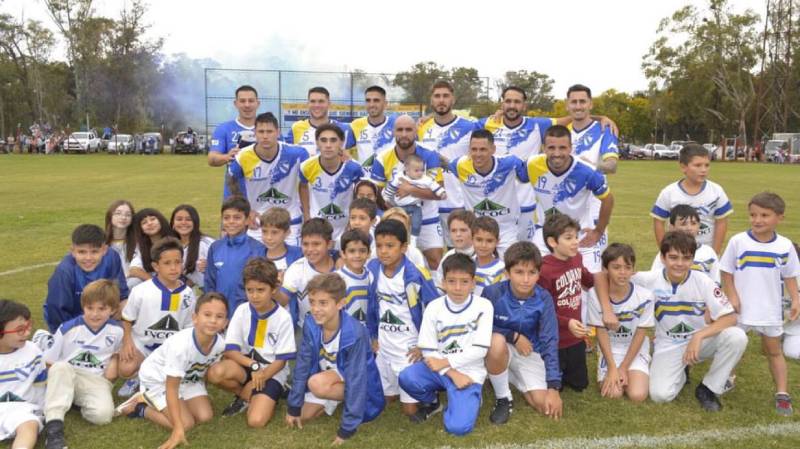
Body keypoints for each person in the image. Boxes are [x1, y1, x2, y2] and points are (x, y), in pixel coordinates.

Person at [634, 231, 746, 411]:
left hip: (700, 342)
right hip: (668, 343)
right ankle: (681, 372)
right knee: (660, 396)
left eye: (686, 258)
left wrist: (699, 336)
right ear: (662, 258)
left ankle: (708, 388)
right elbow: (611, 275)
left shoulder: (703, 281)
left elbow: (731, 317)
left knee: (737, 336)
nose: (679, 263)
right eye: (673, 257)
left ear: (693, 259)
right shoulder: (649, 279)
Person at [720, 192, 800, 415]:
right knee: (734, 347)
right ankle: (726, 379)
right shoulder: (738, 241)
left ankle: (782, 393)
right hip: (741, 308)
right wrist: (733, 296)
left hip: (769, 310)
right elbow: (726, 272)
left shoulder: (785, 246)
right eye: (753, 215)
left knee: (774, 352)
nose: (757, 220)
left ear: (779, 218)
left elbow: (791, 276)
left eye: (764, 215)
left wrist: (796, 299)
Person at [114, 293, 228, 449]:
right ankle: (140, 407)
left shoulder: (220, 344)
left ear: (225, 322)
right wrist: (178, 429)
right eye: (207, 315)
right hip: (159, 380)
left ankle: (165, 406)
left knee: (205, 416)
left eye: (219, 316)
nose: (213, 321)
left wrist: (199, 395)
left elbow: (204, 369)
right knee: (187, 423)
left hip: (186, 379)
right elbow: (171, 388)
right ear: (195, 318)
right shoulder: (181, 346)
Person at [398, 254, 492, 435]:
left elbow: (480, 350)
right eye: (452, 281)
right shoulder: (434, 307)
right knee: (407, 377)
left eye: (464, 282)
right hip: (441, 370)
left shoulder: (484, 306)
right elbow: (428, 349)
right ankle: (434, 402)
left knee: (458, 428)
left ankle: (468, 397)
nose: (457, 288)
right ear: (443, 282)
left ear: (473, 283)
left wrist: (448, 364)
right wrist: (451, 372)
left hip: (469, 373)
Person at [285, 273, 385, 445]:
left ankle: (351, 403)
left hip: (357, 380)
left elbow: (357, 380)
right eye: (312, 302)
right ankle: (332, 399)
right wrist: (293, 406)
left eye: (323, 303)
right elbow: (303, 364)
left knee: (315, 383)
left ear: (340, 303)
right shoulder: (310, 323)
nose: (315, 308)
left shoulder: (355, 333)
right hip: (329, 373)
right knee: (303, 414)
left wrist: (347, 429)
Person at [208, 258, 296, 426]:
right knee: (215, 373)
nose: (254, 296)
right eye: (250, 290)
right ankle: (245, 395)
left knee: (256, 421)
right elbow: (231, 351)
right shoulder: (242, 310)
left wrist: (263, 375)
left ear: (274, 289)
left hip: (272, 371)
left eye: (261, 290)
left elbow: (281, 361)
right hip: (249, 365)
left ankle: (272, 390)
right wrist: (254, 366)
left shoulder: (283, 317)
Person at [482, 242, 561, 425]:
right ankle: (503, 398)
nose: (526, 279)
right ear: (507, 273)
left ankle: (507, 375)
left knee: (545, 406)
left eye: (532, 272)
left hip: (529, 352)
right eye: (519, 272)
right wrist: (513, 336)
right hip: (500, 346)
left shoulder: (543, 298)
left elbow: (550, 340)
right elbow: (480, 327)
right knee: (496, 341)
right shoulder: (492, 293)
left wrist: (553, 386)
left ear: (538, 274)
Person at [366, 219, 439, 417]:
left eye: (390, 246)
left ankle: (432, 398)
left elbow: (436, 310)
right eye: (379, 246)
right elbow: (372, 306)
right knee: (384, 400)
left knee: (409, 411)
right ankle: (399, 385)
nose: (384, 251)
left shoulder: (416, 274)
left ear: (404, 247)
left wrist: (424, 345)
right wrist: (373, 335)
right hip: (384, 346)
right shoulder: (372, 269)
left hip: (409, 348)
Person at [519, 125, 614, 274]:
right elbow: (516, 175)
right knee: (537, 278)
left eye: (562, 148)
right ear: (544, 148)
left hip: (580, 236)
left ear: (570, 148)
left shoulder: (586, 170)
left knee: (592, 284)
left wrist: (598, 231)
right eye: (551, 148)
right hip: (545, 234)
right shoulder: (532, 164)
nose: (557, 153)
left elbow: (608, 199)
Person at [42, 280, 123, 449]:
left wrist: (115, 358)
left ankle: (70, 399)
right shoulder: (68, 328)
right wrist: (60, 379)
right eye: (90, 308)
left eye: (102, 309)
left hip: (95, 381)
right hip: (68, 373)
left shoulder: (117, 332)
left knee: (103, 416)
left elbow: (111, 376)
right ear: (83, 306)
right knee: (60, 367)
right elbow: (49, 363)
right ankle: (54, 430)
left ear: (113, 309)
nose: (95, 314)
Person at [118, 237, 196, 397]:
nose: (174, 268)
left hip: (170, 349)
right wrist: (127, 341)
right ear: (156, 266)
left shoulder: (188, 294)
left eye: (178, 262)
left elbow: (189, 327)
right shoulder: (141, 291)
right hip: (143, 345)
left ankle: (159, 377)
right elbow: (127, 318)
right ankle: (137, 377)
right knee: (126, 368)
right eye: (167, 263)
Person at [371, 114, 445, 269]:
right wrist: (393, 210)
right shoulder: (382, 158)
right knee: (394, 261)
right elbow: (377, 195)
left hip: (427, 216)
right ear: (393, 132)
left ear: (416, 131)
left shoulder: (429, 154)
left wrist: (409, 189)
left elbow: (438, 193)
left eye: (408, 130)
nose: (404, 134)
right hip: (396, 217)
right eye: (400, 130)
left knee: (435, 262)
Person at [227, 112, 309, 243]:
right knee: (256, 263)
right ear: (255, 133)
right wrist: (247, 210)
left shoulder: (297, 154)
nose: (265, 136)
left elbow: (314, 174)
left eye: (269, 131)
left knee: (291, 262)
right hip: (258, 222)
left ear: (278, 132)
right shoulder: (242, 157)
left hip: (290, 221)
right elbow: (232, 183)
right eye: (261, 131)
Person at [587, 244, 654, 402]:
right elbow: (601, 332)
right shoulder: (594, 295)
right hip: (610, 350)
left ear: (633, 269)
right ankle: (608, 367)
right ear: (605, 269)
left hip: (635, 348)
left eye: (627, 267)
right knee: (614, 394)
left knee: (637, 395)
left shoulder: (645, 296)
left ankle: (634, 368)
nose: (622, 273)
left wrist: (623, 367)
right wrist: (612, 367)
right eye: (616, 267)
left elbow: (640, 333)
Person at [537, 214, 596, 392]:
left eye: (576, 237)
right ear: (553, 242)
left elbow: (587, 279)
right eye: (568, 238)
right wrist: (566, 322)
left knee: (580, 384)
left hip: (575, 338)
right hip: (554, 338)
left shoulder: (576, 258)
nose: (575, 242)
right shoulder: (544, 270)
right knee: (556, 386)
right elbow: (541, 310)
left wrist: (606, 277)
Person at [450, 129, 528, 256]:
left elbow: (525, 177)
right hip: (475, 228)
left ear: (493, 149)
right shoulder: (460, 165)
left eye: (483, 149)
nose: (478, 154)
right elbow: (441, 162)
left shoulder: (509, 163)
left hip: (505, 228)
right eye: (474, 149)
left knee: (509, 264)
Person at [418, 80, 476, 247]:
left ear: (453, 99)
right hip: (430, 204)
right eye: (437, 96)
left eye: (445, 96)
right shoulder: (421, 127)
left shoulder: (469, 127)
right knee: (432, 256)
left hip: (458, 203)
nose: (441, 100)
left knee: (461, 253)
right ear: (431, 100)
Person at [43, 224, 129, 333]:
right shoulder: (64, 272)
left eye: (94, 252)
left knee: (126, 309)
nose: (88, 258)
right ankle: (47, 340)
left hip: (102, 314)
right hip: (73, 320)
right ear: (73, 251)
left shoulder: (112, 257)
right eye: (82, 252)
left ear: (104, 250)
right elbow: (56, 310)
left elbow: (121, 294)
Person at [651, 143, 733, 254]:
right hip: (677, 252)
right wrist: (665, 251)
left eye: (707, 165)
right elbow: (658, 222)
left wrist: (714, 253)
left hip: (705, 252)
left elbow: (721, 222)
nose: (703, 170)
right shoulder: (669, 192)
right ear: (683, 167)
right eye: (698, 165)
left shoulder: (716, 191)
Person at [299, 124, 364, 247]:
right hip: (317, 226)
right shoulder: (306, 166)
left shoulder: (354, 168)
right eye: (323, 140)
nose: (328, 145)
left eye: (333, 140)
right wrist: (307, 215)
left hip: (345, 226)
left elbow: (359, 195)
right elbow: (303, 186)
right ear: (317, 143)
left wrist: (352, 222)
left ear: (341, 142)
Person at [204, 196, 267, 316]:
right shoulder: (215, 247)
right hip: (220, 314)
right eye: (226, 218)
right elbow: (209, 283)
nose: (231, 222)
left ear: (248, 220)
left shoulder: (258, 249)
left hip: (247, 314)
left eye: (237, 217)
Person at [0, 300, 46, 449]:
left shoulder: (33, 351)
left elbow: (41, 385)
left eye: (28, 326)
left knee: (29, 427)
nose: (27, 333)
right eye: (20, 330)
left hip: (22, 410)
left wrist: (42, 409)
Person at [278, 218, 337, 329]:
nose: (310, 249)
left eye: (316, 244)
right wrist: (275, 290)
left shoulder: (341, 267)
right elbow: (283, 300)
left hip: (339, 330)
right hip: (306, 331)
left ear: (329, 244)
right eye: (305, 244)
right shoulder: (297, 268)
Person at [208, 85, 260, 199]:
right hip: (234, 196)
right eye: (242, 101)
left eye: (251, 101)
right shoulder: (224, 128)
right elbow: (212, 159)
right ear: (235, 103)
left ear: (257, 103)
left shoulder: (268, 129)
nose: (247, 105)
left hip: (263, 196)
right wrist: (228, 157)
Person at [651, 204, 720, 284]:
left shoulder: (709, 252)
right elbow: (655, 280)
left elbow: (715, 282)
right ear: (671, 227)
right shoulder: (666, 252)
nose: (689, 228)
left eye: (693, 223)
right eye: (683, 224)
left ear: (699, 226)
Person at [382, 153, 446, 238]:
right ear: (407, 170)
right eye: (416, 170)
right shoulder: (399, 177)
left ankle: (414, 236)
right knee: (399, 223)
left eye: (422, 170)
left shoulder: (424, 179)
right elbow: (391, 187)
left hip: (415, 206)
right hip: (400, 206)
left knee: (416, 221)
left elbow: (434, 186)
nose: (420, 173)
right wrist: (387, 198)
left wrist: (441, 193)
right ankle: (401, 236)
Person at [283, 86, 355, 157]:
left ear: (329, 104)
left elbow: (351, 159)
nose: (316, 105)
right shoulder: (296, 128)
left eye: (321, 101)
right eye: (313, 101)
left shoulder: (345, 129)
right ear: (308, 104)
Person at [170, 205, 215, 290]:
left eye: (188, 219)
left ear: (195, 222)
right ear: (173, 223)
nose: (183, 222)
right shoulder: (171, 246)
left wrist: (211, 266)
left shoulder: (207, 243)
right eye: (179, 219)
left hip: (215, 290)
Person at [350, 85, 397, 165]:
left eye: (376, 100)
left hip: (389, 176)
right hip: (364, 177)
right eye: (368, 100)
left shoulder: (396, 124)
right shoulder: (355, 125)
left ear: (385, 104)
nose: (371, 104)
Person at [128, 209, 176, 283]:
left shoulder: (175, 239)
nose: (149, 223)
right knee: (132, 281)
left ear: (160, 220)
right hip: (154, 284)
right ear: (140, 229)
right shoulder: (141, 247)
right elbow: (133, 270)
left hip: (176, 282)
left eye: (153, 219)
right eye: (144, 222)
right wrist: (158, 283)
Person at [336, 229, 373, 324]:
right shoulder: (336, 278)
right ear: (343, 254)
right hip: (347, 334)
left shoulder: (372, 276)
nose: (357, 255)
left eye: (362, 251)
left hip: (368, 333)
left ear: (369, 253)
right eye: (352, 251)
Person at [104, 200, 138, 289]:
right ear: (110, 216)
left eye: (128, 215)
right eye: (118, 213)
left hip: (132, 287)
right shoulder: (101, 242)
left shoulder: (138, 244)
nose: (123, 217)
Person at [259, 208, 303, 275]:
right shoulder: (255, 256)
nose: (269, 237)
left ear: (287, 232)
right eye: (264, 231)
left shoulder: (299, 255)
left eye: (274, 232)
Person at [472, 216, 505, 297]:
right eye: (479, 240)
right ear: (471, 239)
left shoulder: (502, 269)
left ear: (497, 242)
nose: (484, 245)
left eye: (489, 241)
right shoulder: (466, 264)